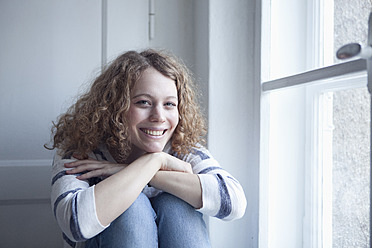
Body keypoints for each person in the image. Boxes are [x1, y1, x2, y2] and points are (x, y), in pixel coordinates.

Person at [48, 49, 246, 248]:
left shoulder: (182, 147)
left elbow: (234, 203)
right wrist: (152, 164)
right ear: (114, 107)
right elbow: (75, 224)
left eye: (169, 104)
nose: (159, 116)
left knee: (175, 205)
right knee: (132, 207)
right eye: (144, 102)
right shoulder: (83, 150)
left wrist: (145, 168)